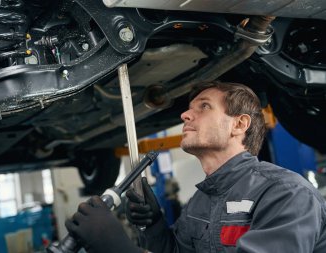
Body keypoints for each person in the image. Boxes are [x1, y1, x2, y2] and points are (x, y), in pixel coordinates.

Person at [65, 81, 326, 253]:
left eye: (204, 107)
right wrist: (153, 225)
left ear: (239, 124)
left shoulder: (286, 194)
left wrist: (119, 249)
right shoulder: (200, 201)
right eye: (189, 109)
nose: (185, 115)